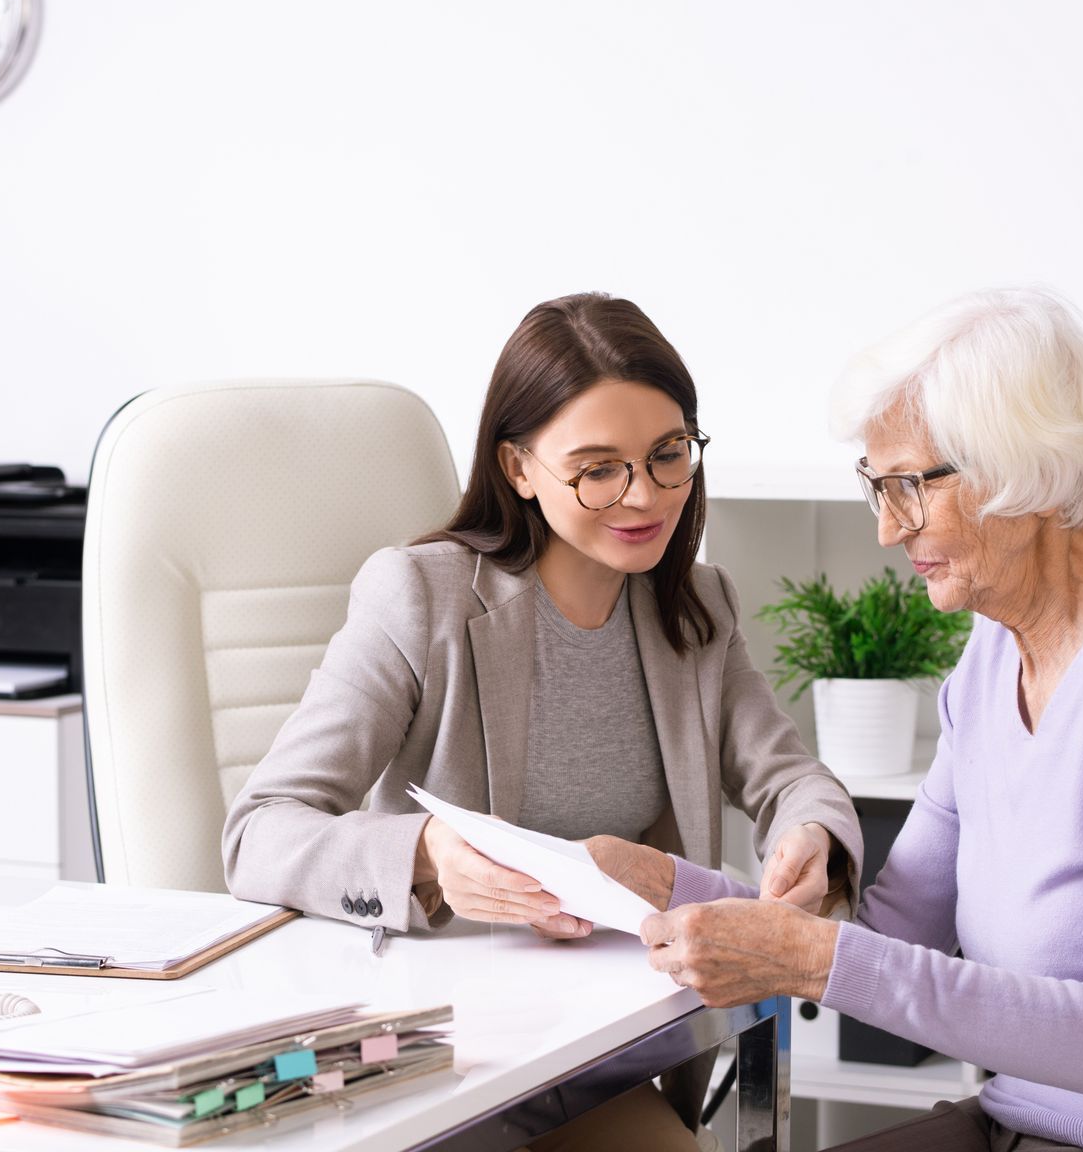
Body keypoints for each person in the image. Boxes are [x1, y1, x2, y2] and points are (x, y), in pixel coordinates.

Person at [604, 289, 1083, 1151]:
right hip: (1023, 1124)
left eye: (908, 487)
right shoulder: (992, 657)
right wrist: (662, 887)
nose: (888, 529)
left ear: (1016, 472)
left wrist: (806, 958)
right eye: (875, 487)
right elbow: (888, 931)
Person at [223, 292, 863, 1149]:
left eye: (669, 454)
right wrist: (428, 855)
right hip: (440, 1061)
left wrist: (813, 835)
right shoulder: (421, 598)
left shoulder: (696, 605)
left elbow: (788, 777)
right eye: (598, 468)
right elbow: (258, 832)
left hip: (609, 1054)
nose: (644, 495)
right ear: (519, 468)